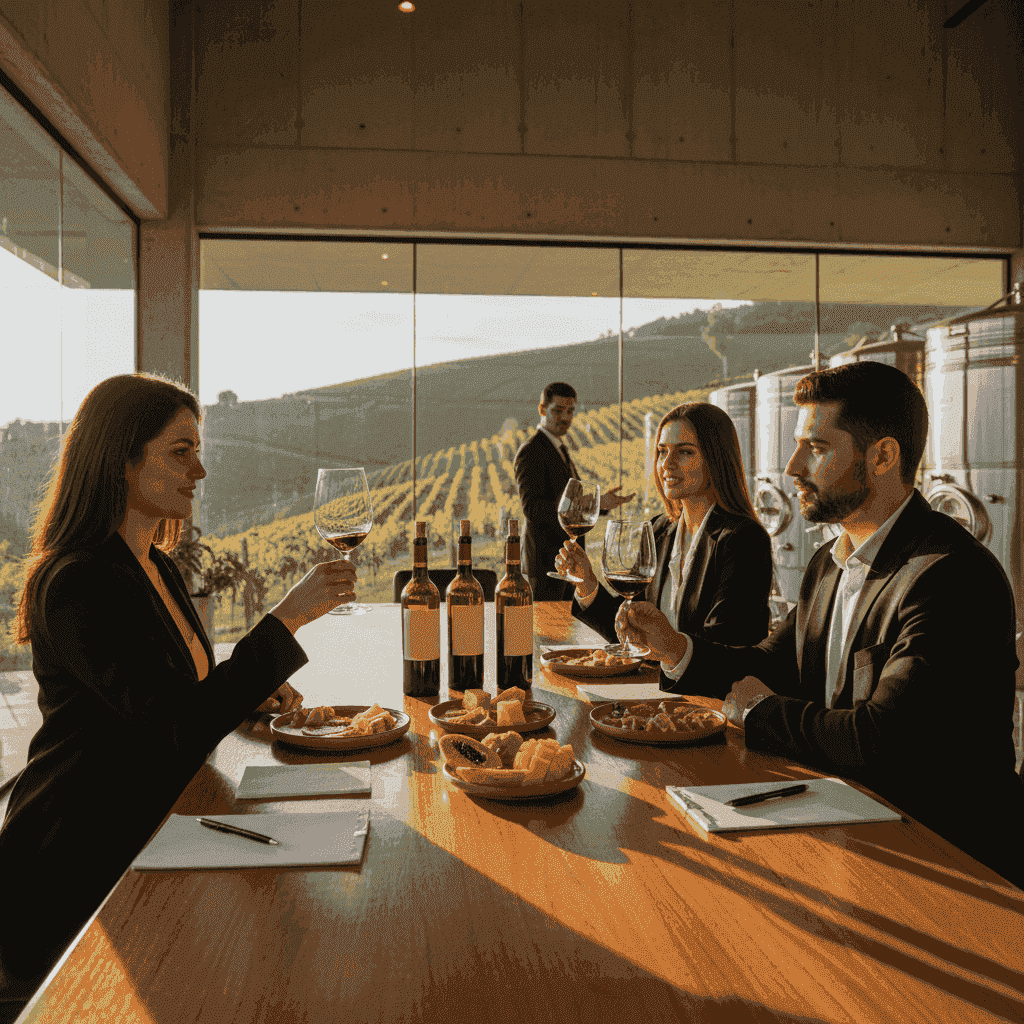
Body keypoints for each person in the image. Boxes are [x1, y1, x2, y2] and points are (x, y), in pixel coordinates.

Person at [0, 373, 356, 1001]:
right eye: (180, 450)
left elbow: (181, 697)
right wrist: (285, 619)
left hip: (150, 823)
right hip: (78, 859)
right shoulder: (79, 581)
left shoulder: (152, 562)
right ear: (122, 459)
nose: (200, 471)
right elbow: (171, 728)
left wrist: (246, 693)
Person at [623, 362, 1023, 886]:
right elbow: (770, 664)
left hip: (948, 864)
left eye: (816, 447)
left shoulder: (949, 576)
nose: (791, 467)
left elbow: (879, 741)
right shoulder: (828, 564)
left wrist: (759, 712)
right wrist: (676, 649)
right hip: (847, 832)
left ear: (882, 456)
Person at [557, 402, 773, 678]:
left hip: (711, 705)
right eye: (661, 452)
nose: (667, 464)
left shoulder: (744, 540)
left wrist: (669, 648)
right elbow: (633, 633)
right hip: (656, 695)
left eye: (684, 452)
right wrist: (587, 585)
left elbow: (728, 650)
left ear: (715, 459)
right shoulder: (659, 529)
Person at [514, 382, 633, 600]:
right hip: (546, 569)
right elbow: (533, 509)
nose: (565, 417)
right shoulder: (531, 451)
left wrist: (600, 504)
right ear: (542, 410)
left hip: (566, 567)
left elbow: (569, 500)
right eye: (557, 411)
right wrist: (593, 503)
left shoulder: (559, 449)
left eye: (570, 411)